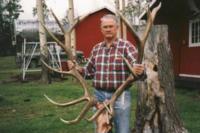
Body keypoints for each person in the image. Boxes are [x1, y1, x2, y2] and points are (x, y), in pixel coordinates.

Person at [68, 14, 145, 133]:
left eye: (111, 26)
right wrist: (77, 69)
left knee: (122, 130)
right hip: (98, 98)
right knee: (101, 130)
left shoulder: (126, 47)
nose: (108, 29)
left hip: (120, 97)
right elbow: (88, 72)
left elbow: (138, 68)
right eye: (105, 27)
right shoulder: (96, 49)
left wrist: (139, 70)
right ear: (101, 29)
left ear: (117, 28)